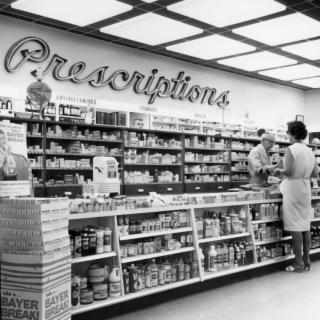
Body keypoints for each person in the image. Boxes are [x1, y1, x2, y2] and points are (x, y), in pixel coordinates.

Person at [274, 121, 318, 272]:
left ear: (292, 133)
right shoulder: (309, 150)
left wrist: (279, 171)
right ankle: (307, 260)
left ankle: (298, 263)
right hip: (305, 188)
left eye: (288, 132)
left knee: (295, 227)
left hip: (293, 189)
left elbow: (290, 171)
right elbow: (315, 174)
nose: (287, 135)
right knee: (305, 225)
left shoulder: (291, 149)